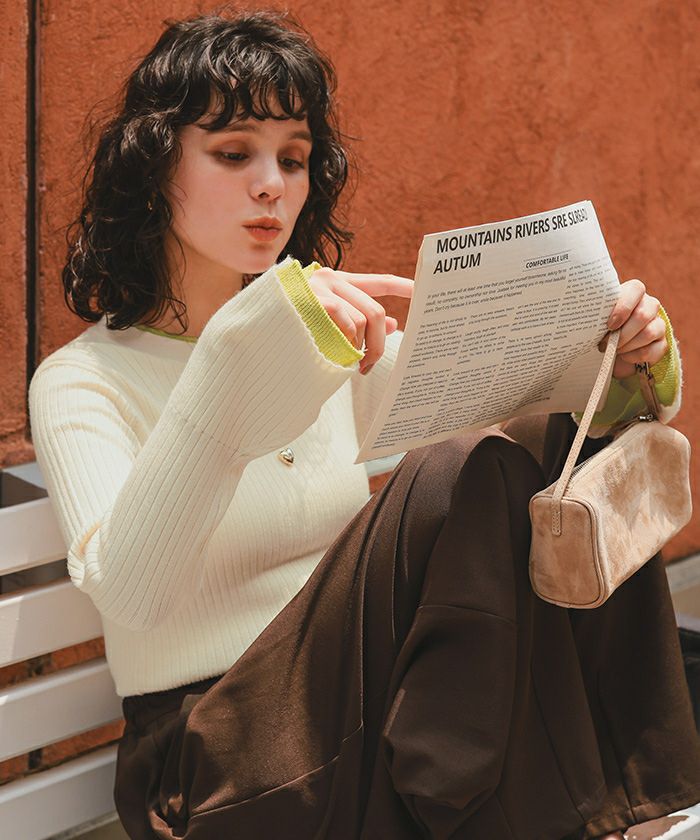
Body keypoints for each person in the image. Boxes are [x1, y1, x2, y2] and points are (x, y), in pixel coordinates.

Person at [27, 9, 698, 840]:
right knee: (456, 468)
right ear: (155, 164)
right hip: (212, 763)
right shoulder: (82, 381)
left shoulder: (326, 339)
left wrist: (620, 358)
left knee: (538, 448)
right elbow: (131, 594)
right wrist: (230, 365)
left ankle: (634, 800)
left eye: (293, 158)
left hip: (352, 727)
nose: (272, 185)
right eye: (234, 153)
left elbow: (515, 403)